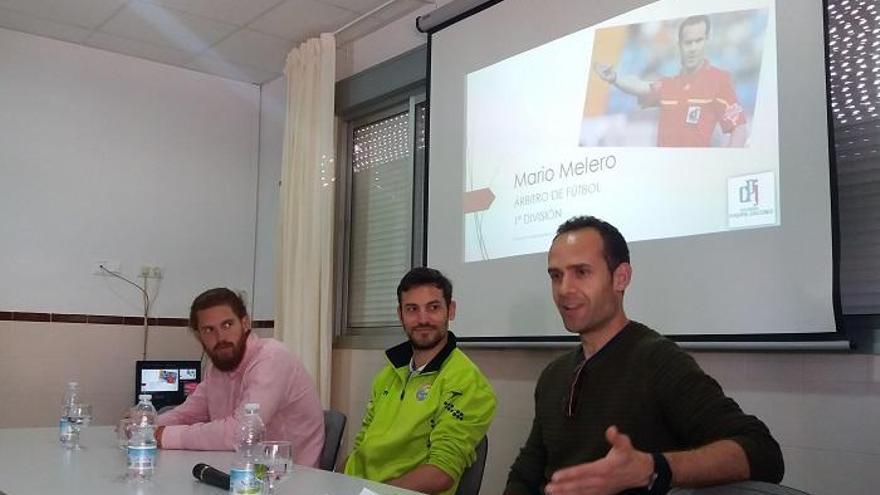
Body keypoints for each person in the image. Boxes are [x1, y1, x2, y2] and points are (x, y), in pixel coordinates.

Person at [504, 216, 783, 495]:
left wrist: (654, 467)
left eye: (582, 272)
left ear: (621, 277)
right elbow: (526, 472)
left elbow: (762, 452)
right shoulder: (554, 374)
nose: (564, 290)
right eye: (556, 276)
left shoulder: (657, 361)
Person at [344, 267, 497, 495]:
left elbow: (441, 472)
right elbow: (361, 447)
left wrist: (374, 492)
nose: (423, 319)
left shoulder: (469, 384)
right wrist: (333, 481)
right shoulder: (387, 375)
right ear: (400, 314)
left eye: (433, 307)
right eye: (412, 309)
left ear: (451, 310)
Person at [153, 288, 325, 467]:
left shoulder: (272, 357)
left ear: (245, 324)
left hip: (289, 478)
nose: (220, 338)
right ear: (199, 337)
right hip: (241, 471)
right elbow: (189, 413)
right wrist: (145, 424)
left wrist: (165, 435)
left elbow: (239, 433)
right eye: (208, 330)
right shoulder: (218, 366)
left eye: (227, 325)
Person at [594, 15, 748, 147]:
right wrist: (615, 78)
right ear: (680, 46)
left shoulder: (718, 80)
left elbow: (738, 128)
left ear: (706, 42)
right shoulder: (670, 84)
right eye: (688, 43)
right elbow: (640, 87)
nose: (693, 48)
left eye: (698, 41)